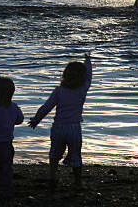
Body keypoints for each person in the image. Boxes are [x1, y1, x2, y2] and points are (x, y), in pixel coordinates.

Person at [28, 53, 92, 189]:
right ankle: (78, 182)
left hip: (58, 127)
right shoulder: (82, 89)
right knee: (75, 154)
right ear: (82, 77)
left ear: (65, 75)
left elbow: (46, 107)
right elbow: (89, 76)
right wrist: (88, 60)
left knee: (55, 153)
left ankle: (52, 177)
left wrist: (36, 120)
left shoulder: (59, 90)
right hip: (74, 128)